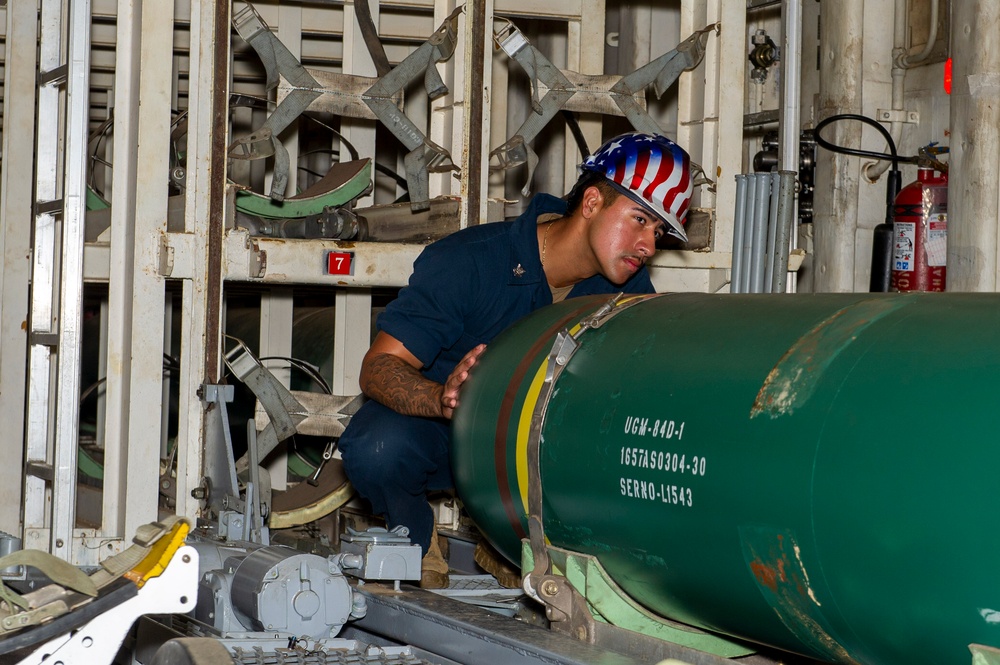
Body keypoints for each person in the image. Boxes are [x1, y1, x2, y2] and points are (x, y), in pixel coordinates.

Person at [337, 132, 693, 587]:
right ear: (590, 203)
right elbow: (378, 367)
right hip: (446, 438)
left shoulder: (629, 295)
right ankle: (414, 537)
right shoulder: (472, 261)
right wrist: (440, 399)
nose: (649, 245)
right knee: (377, 446)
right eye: (640, 219)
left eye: (659, 231)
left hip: (534, 451)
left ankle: (507, 538)